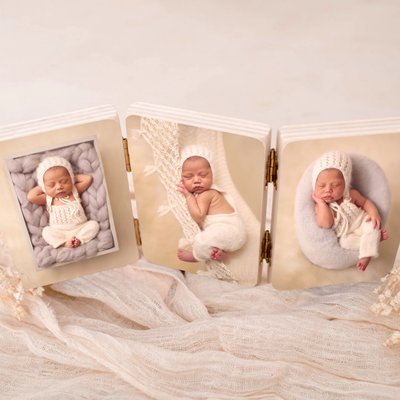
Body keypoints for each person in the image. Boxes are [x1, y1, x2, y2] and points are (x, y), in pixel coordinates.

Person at [311, 151, 388, 271]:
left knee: (372, 225)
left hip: (362, 222)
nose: (328, 190)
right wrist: (321, 203)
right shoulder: (320, 207)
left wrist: (374, 213)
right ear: (314, 186)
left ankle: (366, 255)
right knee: (345, 243)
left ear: (345, 184)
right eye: (321, 186)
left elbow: (366, 203)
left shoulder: (351, 194)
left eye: (335, 185)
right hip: (347, 234)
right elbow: (326, 223)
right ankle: (374, 240)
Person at [176, 145, 246, 262]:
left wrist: (188, 196)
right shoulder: (201, 194)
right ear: (182, 179)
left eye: (203, 175)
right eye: (189, 177)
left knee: (201, 240)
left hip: (230, 230)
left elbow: (198, 216)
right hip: (229, 234)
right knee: (209, 237)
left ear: (213, 174)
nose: (196, 180)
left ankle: (196, 256)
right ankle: (222, 254)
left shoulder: (207, 194)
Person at [27, 156, 99, 249]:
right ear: (44, 187)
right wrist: (43, 185)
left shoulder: (74, 191)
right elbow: (31, 196)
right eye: (51, 185)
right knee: (46, 231)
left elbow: (88, 179)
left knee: (93, 225)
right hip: (60, 232)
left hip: (80, 228)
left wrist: (72, 178)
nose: (59, 187)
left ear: (71, 179)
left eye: (64, 181)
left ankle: (79, 240)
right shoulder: (48, 198)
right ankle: (65, 243)